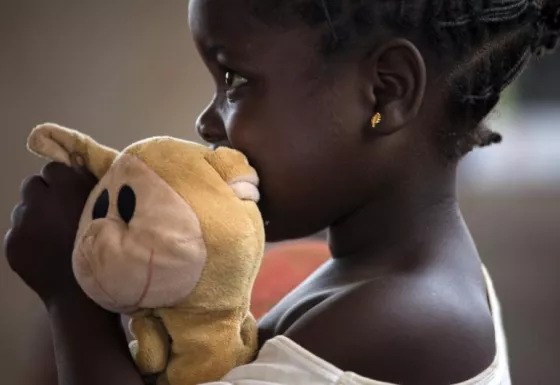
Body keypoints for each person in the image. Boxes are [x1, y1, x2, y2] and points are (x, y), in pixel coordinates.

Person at [5, 0, 560, 384]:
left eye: (236, 81)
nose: (207, 121)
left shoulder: (405, 320)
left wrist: (70, 297)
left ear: (385, 90)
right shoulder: (374, 277)